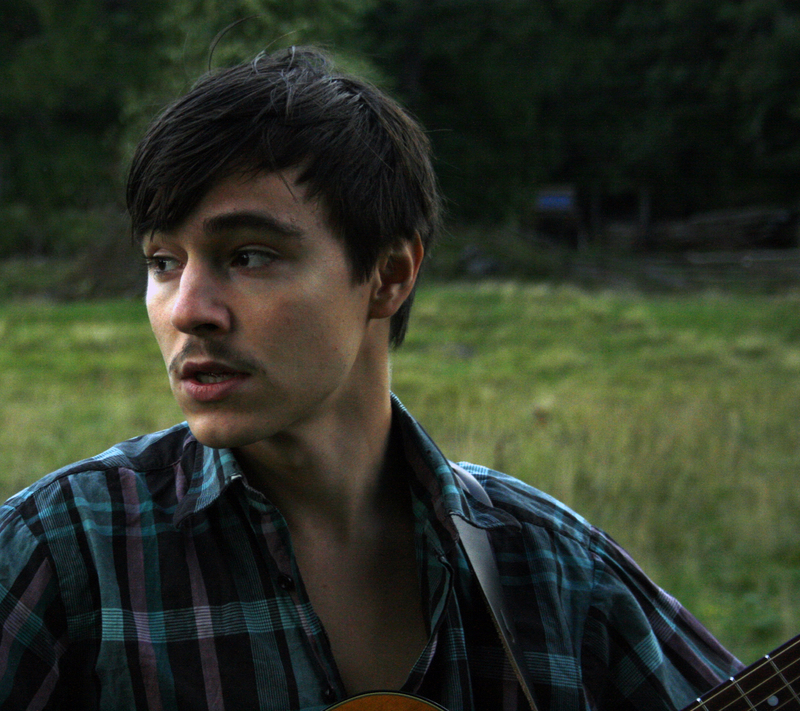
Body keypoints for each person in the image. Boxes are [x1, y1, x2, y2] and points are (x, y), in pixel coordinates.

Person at [0, 46, 741, 711]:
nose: (189, 310)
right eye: (163, 262)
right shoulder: (62, 554)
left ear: (388, 274)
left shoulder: (552, 570)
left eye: (249, 255)